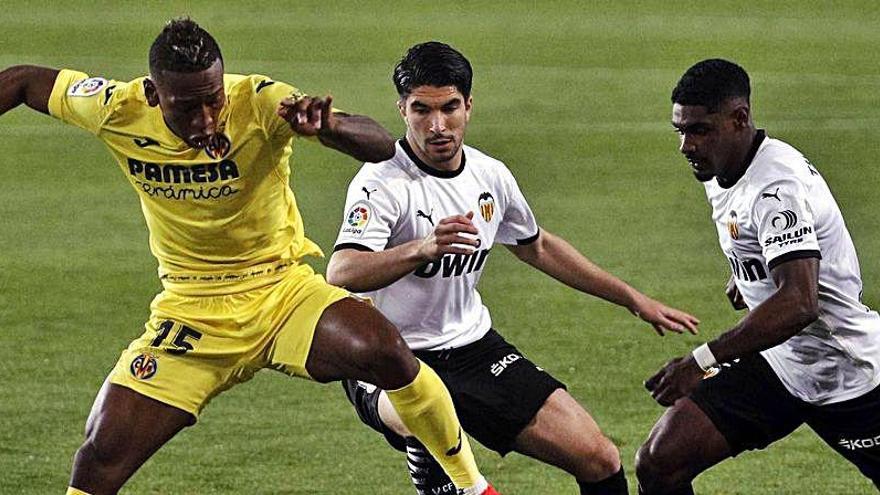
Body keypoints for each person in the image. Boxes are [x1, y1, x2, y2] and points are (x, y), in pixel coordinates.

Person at [0, 19, 500, 495]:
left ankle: (474, 486)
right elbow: (22, 82)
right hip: (192, 309)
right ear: (154, 95)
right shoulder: (117, 109)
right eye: (187, 107)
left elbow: (376, 145)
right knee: (100, 456)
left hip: (281, 293)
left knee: (386, 350)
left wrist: (327, 128)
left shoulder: (261, 100)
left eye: (213, 101)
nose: (206, 119)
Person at [326, 41, 700, 495]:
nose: (437, 126)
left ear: (469, 106)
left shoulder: (490, 176)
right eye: (422, 110)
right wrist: (421, 249)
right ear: (402, 109)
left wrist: (632, 298)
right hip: (388, 358)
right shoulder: (382, 181)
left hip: (472, 348)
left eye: (450, 108)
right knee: (423, 417)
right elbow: (342, 271)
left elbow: (536, 246)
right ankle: (441, 471)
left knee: (599, 458)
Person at [636, 58, 880, 494]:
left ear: (739, 119)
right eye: (680, 130)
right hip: (781, 364)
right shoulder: (723, 167)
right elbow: (771, 253)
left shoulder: (775, 187)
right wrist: (749, 277)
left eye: (699, 130)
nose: (686, 145)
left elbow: (800, 303)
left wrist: (701, 361)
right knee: (660, 462)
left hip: (847, 370)